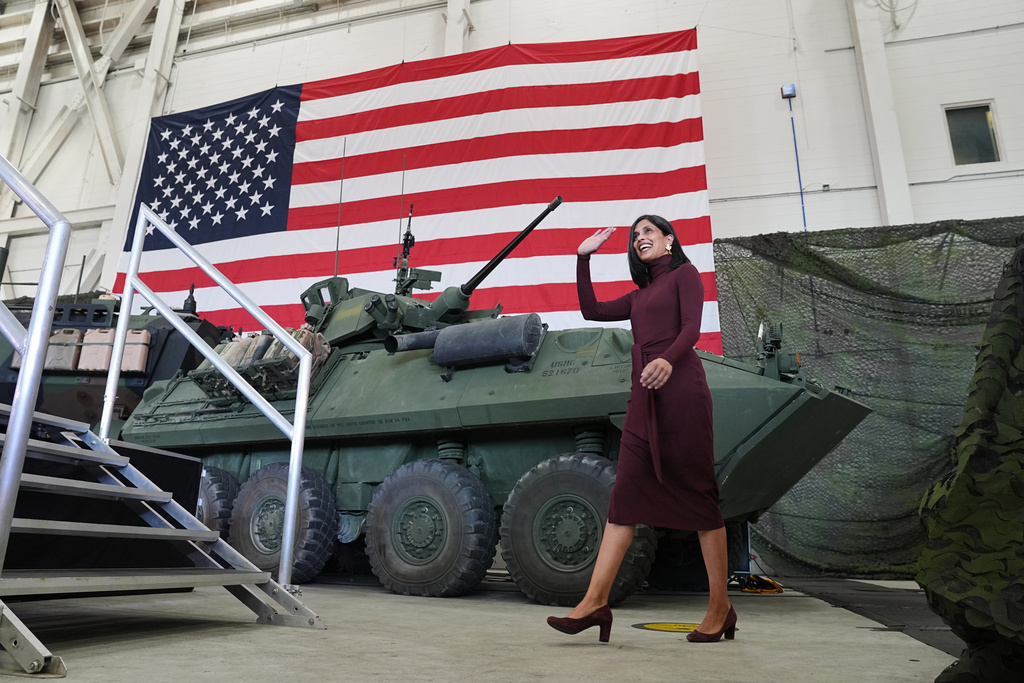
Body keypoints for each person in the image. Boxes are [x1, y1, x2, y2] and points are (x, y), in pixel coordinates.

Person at [546, 215, 735, 644]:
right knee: (625, 496)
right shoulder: (639, 297)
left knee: (701, 495)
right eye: (635, 236)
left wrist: (667, 358)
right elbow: (590, 310)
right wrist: (582, 259)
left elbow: (691, 328)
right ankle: (595, 601)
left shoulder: (685, 275)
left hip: (682, 392)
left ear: (669, 240)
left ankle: (720, 607)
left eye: (648, 232)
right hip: (644, 398)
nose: (639, 239)